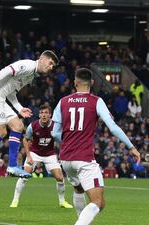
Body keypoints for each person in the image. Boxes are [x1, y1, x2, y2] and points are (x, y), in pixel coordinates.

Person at [52, 68, 141, 225]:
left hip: (66, 160)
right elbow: (112, 127)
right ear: (92, 83)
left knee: (79, 189)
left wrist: (68, 142)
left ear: (75, 83)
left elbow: (54, 133)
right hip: (84, 159)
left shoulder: (63, 102)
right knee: (98, 202)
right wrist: (131, 147)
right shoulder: (96, 101)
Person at [0, 50, 59, 183]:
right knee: (1, 131)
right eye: (50, 63)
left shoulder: (31, 75)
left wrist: (20, 108)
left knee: (18, 126)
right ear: (41, 59)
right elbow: (6, 71)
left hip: (0, 96)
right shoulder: (28, 65)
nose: (50, 67)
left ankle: (12, 166)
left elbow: (10, 92)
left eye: (53, 66)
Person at [10, 104, 73, 209]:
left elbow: (63, 140)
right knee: (24, 175)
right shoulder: (33, 126)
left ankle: (62, 202)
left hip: (49, 154)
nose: (44, 115)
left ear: (50, 115)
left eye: (46, 113)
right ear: (39, 115)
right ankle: (15, 200)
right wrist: (29, 155)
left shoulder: (55, 126)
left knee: (60, 177)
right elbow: (25, 139)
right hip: (35, 153)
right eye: (42, 113)